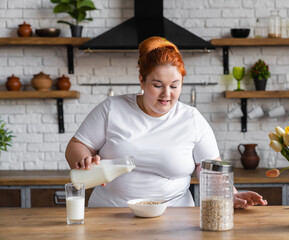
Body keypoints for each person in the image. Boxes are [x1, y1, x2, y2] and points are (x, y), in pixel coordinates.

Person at [65, 36, 267, 208]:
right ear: (141, 80)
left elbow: (210, 169)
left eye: (174, 85)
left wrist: (229, 194)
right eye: (157, 85)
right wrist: (84, 160)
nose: (166, 94)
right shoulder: (111, 109)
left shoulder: (192, 119)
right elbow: (76, 146)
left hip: (175, 220)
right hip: (110, 216)